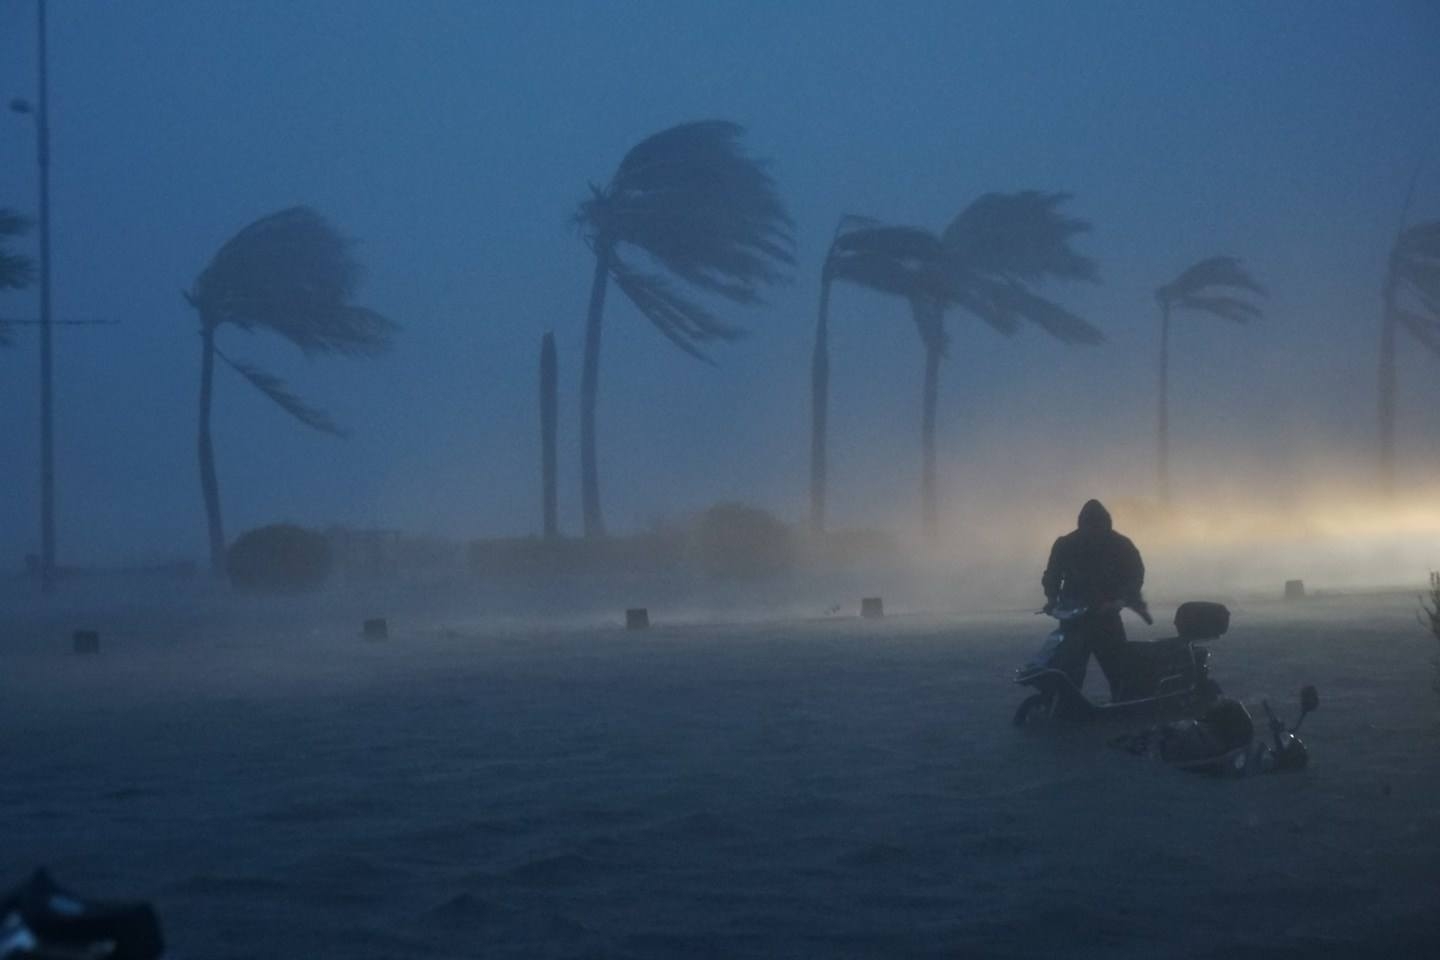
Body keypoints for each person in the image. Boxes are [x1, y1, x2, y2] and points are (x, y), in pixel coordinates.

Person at [1041, 499, 1151, 701]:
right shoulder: (1065, 544)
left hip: (1106, 615)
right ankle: (1068, 703)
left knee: (1117, 666)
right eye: (1089, 526)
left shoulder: (1121, 545)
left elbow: (1135, 574)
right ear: (1081, 525)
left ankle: (1124, 701)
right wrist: (1051, 598)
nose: (1094, 531)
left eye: (1098, 526)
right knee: (1071, 666)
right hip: (1074, 617)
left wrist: (1120, 599)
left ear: (1106, 524)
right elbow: (1052, 575)